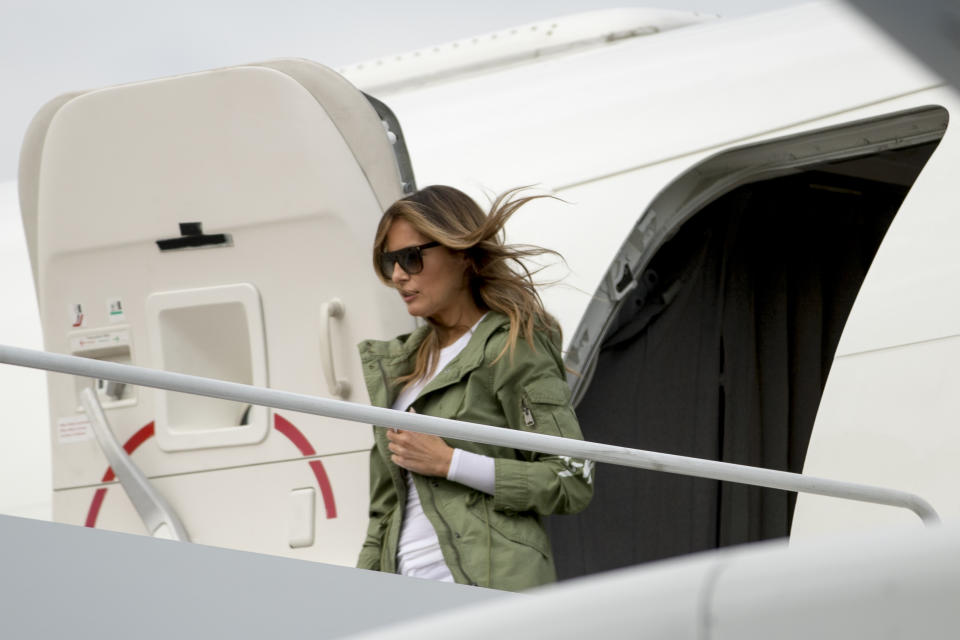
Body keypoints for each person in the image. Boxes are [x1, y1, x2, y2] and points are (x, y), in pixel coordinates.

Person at [355, 185, 593, 592]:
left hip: (490, 586)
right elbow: (383, 513)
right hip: (400, 592)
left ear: (462, 253)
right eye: (389, 261)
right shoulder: (398, 368)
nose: (398, 276)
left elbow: (571, 478)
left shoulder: (512, 346)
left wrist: (450, 462)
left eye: (411, 258)